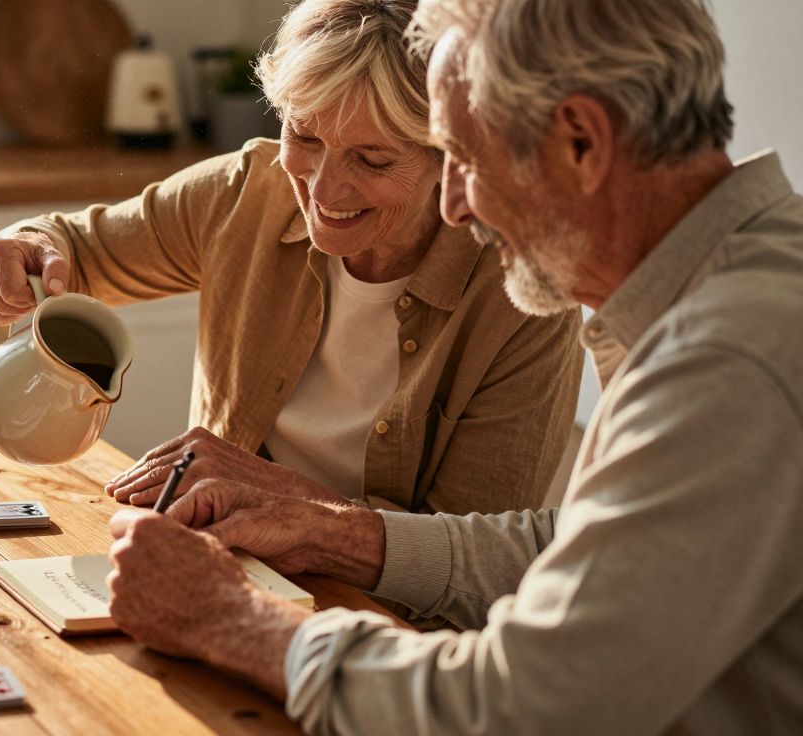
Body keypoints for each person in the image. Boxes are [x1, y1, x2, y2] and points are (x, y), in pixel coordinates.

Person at [105, 0, 803, 732]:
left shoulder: (725, 361)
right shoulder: (743, 277)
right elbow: (575, 552)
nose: (453, 204)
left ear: (581, 142)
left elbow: (524, 708)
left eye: (466, 159)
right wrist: (326, 530)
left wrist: (231, 620)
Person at [0, 0, 581, 516]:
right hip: (213, 568)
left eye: (372, 160)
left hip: (389, 631)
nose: (323, 189)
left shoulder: (523, 293)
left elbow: (470, 559)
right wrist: (26, 248)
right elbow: (74, 244)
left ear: (449, 153)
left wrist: (276, 501)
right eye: (304, 137)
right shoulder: (246, 192)